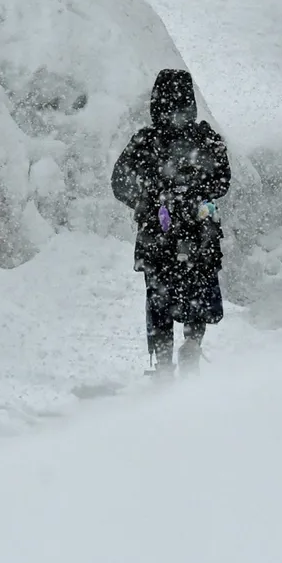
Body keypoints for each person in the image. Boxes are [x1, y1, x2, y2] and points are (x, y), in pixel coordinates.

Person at [111, 69, 231, 377]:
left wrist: (148, 198)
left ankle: (164, 364)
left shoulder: (146, 141)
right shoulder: (205, 138)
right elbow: (222, 180)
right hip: (196, 233)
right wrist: (194, 193)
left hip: (159, 235)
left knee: (160, 300)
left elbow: (120, 182)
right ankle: (191, 347)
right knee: (197, 294)